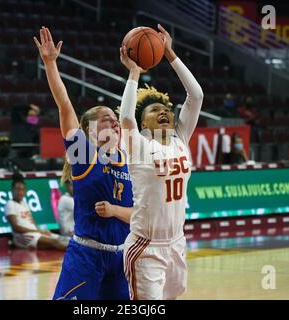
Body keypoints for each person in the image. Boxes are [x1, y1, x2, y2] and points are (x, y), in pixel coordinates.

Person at [34, 26, 134, 300]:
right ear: (89, 130)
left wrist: (134, 73)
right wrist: (51, 64)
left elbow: (137, 214)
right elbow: (65, 106)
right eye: (105, 118)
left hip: (121, 258)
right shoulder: (84, 154)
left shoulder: (127, 156)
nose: (113, 120)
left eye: (114, 117)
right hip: (87, 256)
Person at [118, 24, 203, 300]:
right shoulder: (139, 145)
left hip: (177, 242)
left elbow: (196, 96)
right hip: (146, 247)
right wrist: (133, 74)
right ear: (144, 122)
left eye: (166, 108)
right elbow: (126, 119)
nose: (165, 112)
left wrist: (169, 53)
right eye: (155, 110)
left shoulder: (180, 138)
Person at [5, 173, 69, 251]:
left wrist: (41, 231)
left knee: (66, 239)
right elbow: (16, 228)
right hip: (25, 236)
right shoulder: (10, 204)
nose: (20, 192)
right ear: (12, 190)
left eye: (22, 190)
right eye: (17, 189)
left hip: (35, 233)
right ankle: (79, 255)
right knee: (56, 242)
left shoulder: (24, 204)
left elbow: (32, 223)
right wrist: (38, 231)